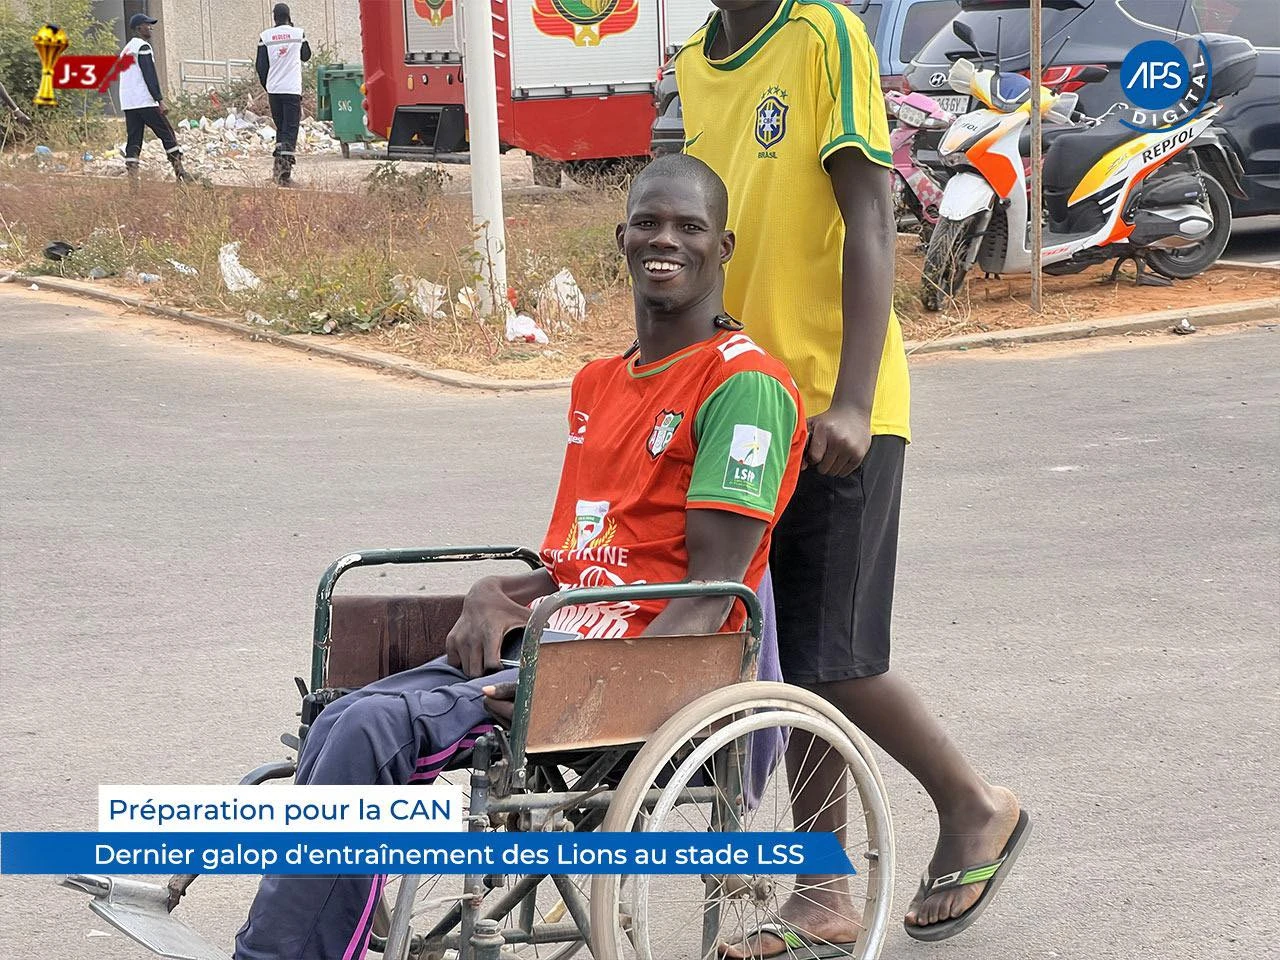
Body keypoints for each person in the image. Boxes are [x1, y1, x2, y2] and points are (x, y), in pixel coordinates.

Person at [233, 153, 807, 960]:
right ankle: (314, 939)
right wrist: (501, 591)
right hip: (556, 639)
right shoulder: (598, 382)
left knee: (367, 728)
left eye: (688, 227)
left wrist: (582, 686)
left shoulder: (741, 384)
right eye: (648, 222)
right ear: (621, 236)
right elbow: (588, 556)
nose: (664, 240)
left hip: (629, 669)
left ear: (725, 247)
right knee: (336, 714)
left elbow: (709, 598)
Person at [674, 2, 1029, 952]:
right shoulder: (693, 64)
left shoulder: (824, 32)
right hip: (744, 407)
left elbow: (872, 217)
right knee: (784, 657)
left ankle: (972, 803)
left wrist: (855, 400)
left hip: (837, 401)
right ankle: (823, 886)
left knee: (838, 656)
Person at [117, 13, 193, 184]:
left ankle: (133, 181)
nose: (150, 27)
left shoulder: (126, 49)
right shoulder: (143, 47)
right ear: (138, 28)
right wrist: (159, 99)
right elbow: (149, 75)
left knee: (134, 140)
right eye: (147, 25)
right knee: (167, 133)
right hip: (144, 100)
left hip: (129, 103)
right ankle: (180, 173)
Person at [256, 2, 312, 186]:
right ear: (289, 16)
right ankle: (285, 175)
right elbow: (306, 55)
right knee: (290, 129)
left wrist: (268, 86)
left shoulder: (265, 36)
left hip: (274, 90)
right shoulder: (298, 34)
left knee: (281, 129)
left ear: (274, 17)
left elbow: (261, 66)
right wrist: (294, 31)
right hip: (291, 89)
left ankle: (277, 170)